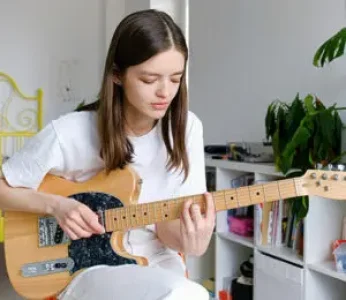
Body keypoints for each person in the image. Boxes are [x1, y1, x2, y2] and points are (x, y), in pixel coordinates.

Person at [0, 9, 215, 300]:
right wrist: (56, 206)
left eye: (175, 79)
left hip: (158, 263)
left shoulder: (187, 129)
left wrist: (194, 241)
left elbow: (168, 229)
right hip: (88, 267)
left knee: (189, 294)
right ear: (117, 75)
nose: (165, 92)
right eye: (150, 79)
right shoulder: (69, 132)